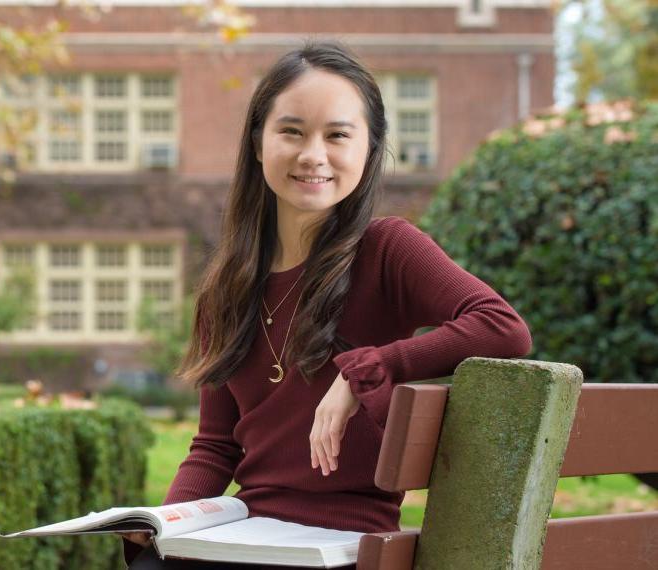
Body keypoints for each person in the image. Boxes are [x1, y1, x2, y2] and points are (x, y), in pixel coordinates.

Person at [121, 40, 533, 569]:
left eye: (337, 135)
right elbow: (215, 445)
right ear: (257, 142)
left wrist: (368, 367)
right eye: (291, 131)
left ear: (369, 147)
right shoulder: (226, 286)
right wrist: (165, 524)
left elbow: (502, 327)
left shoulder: (388, 249)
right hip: (250, 535)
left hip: (343, 547)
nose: (312, 154)